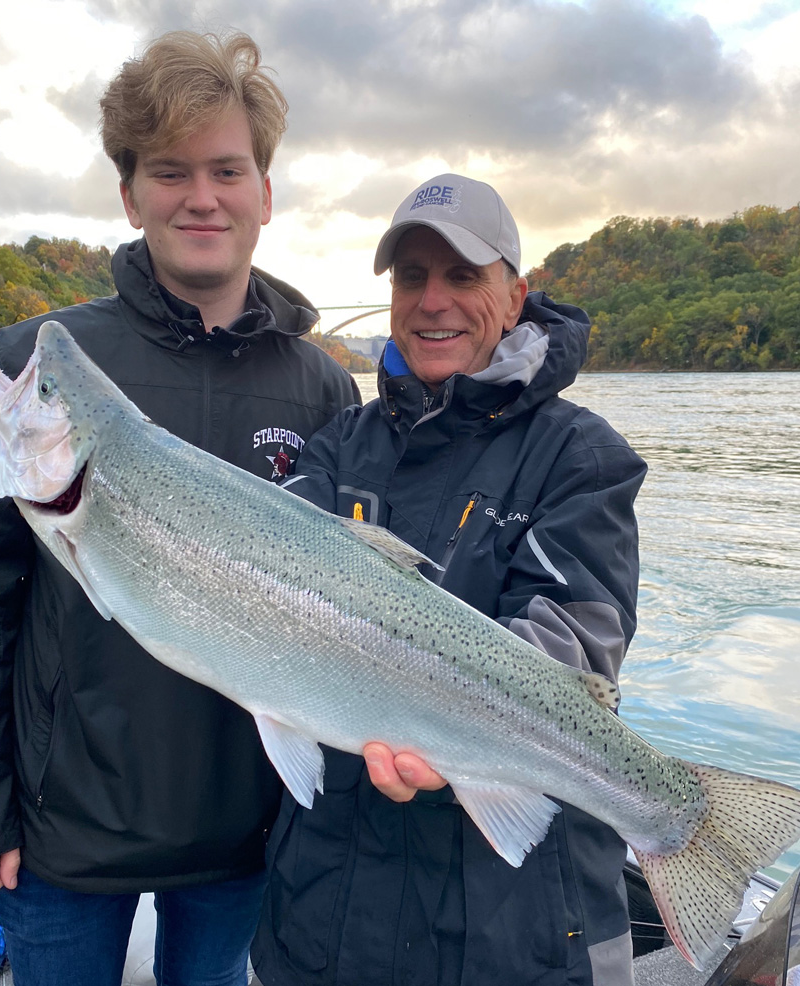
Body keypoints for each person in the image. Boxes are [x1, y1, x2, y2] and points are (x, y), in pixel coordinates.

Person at [0, 30, 359, 986]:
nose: (201, 196)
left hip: (249, 828)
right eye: (170, 172)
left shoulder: (326, 392)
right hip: (63, 836)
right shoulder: (39, 368)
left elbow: (353, 616)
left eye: (226, 170)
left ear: (264, 194)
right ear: (130, 194)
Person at [250, 174, 648, 986]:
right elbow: (274, 602)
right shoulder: (334, 449)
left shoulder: (583, 457)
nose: (433, 301)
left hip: (518, 928)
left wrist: (456, 730)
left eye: (463, 276)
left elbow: (574, 634)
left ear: (515, 295)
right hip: (328, 917)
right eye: (411, 277)